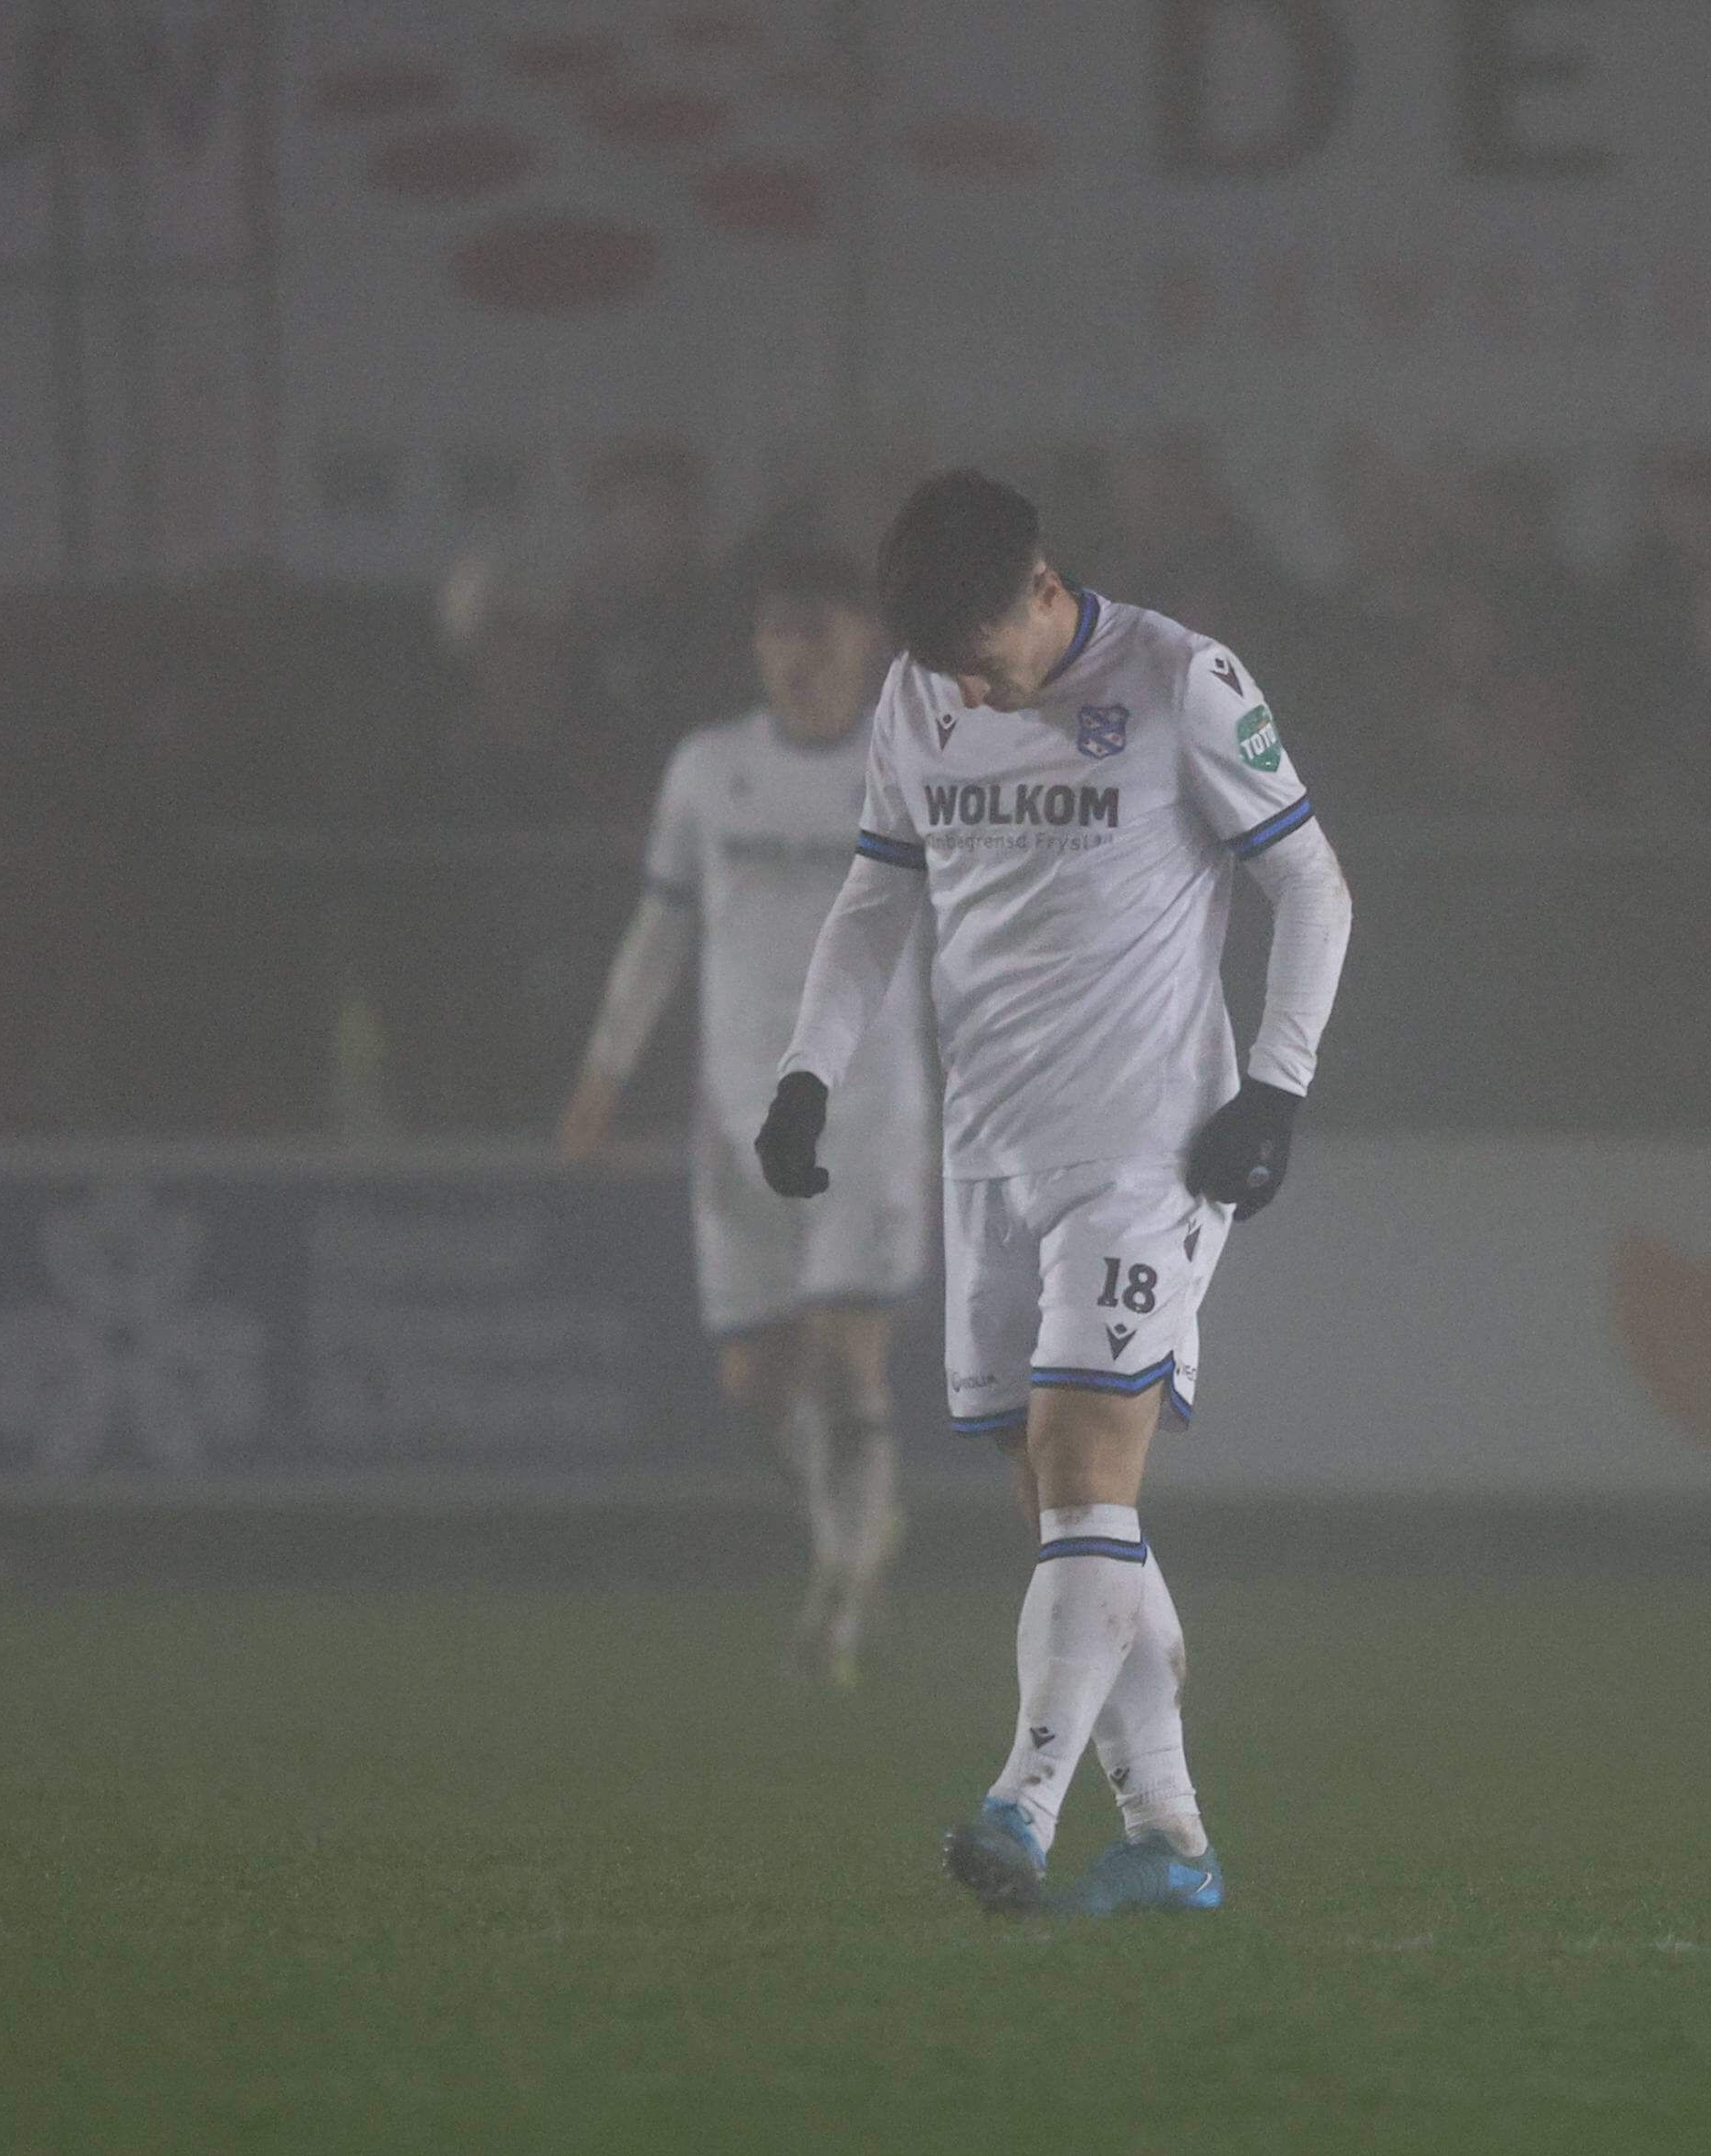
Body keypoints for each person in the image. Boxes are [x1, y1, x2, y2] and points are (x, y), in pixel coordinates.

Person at [756, 471, 1352, 1918]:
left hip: (1148, 1147)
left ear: (1041, 585)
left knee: (1086, 1465)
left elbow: (1312, 885)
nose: (969, 691)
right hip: (987, 1152)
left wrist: (1274, 1087)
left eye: (985, 659)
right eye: (945, 670)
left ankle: (1016, 1805)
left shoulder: (1179, 679)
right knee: (1064, 1506)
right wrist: (805, 1071)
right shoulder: (919, 692)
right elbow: (875, 897)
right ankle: (1168, 1834)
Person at [559, 547, 936, 1684]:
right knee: (757, 1381)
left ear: (868, 642)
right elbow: (661, 928)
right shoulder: (708, 769)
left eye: (818, 629)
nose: (795, 653)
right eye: (778, 631)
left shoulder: (917, 764)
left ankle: (843, 1589)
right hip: (736, 1112)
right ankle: (856, 1523)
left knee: (845, 1355)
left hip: (867, 1104)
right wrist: (603, 1069)